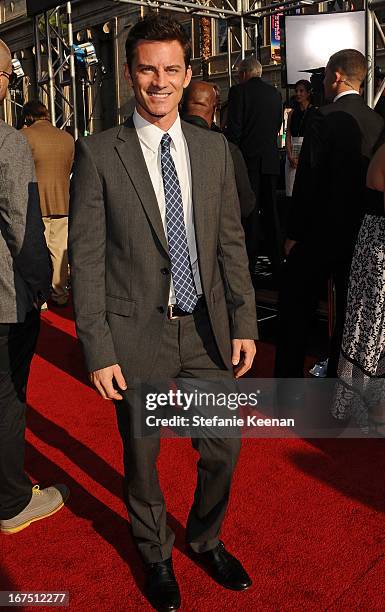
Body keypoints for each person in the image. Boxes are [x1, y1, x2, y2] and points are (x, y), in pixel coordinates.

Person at [69, 15, 257, 612]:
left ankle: (204, 538)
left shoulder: (214, 149)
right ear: (130, 73)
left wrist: (245, 320)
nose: (159, 81)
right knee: (143, 456)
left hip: (206, 331)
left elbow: (231, 243)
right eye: (148, 68)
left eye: (170, 69)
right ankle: (155, 553)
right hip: (135, 332)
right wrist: (97, 348)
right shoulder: (99, 153)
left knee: (224, 444)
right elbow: (89, 258)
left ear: (187, 74)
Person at [274, 49, 384, 379]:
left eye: (324, 77)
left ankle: (287, 390)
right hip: (360, 235)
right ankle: (338, 384)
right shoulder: (377, 121)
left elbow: (308, 178)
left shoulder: (324, 116)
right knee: (349, 315)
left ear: (336, 76)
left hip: (318, 234)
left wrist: (293, 234)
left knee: (296, 310)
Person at [0, 40, 69, 535]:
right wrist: (44, 284)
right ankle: (10, 501)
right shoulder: (6, 142)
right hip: (4, 299)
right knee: (7, 395)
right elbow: (22, 232)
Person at [333, 143, 385, 433]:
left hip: (373, 249)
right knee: (372, 329)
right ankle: (376, 412)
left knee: (371, 328)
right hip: (379, 253)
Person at [226, 56, 283, 275]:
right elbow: (277, 125)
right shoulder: (275, 94)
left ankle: (248, 264)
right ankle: (277, 261)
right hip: (269, 160)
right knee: (272, 212)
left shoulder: (238, 92)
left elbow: (235, 129)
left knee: (248, 212)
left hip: (246, 161)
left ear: (243, 73)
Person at [21, 100, 75, 308]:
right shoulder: (66, 138)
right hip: (63, 202)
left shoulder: (25, 136)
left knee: (37, 252)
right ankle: (60, 294)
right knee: (60, 251)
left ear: (27, 117)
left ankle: (40, 297)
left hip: (35, 204)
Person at [182, 80, 255, 219]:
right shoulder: (226, 149)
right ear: (214, 109)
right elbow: (246, 203)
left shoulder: (163, 144)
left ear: (181, 106)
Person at [285, 80, 315, 197]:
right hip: (292, 149)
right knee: (291, 189)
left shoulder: (314, 112)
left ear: (308, 93)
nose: (298, 93)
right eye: (296, 91)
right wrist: (289, 155)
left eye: (301, 91)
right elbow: (288, 134)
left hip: (307, 150)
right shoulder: (292, 113)